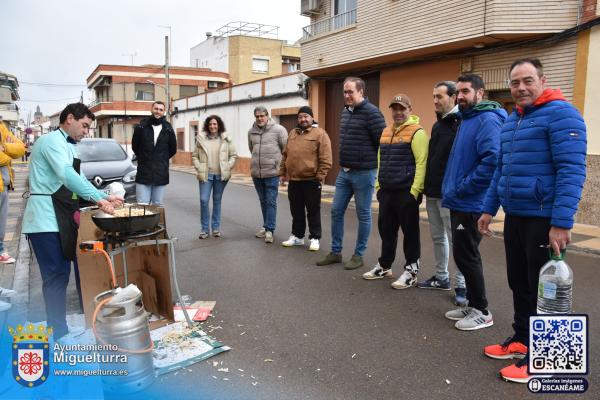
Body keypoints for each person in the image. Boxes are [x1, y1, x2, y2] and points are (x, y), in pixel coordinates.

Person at [478, 58, 587, 383]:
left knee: (547, 290)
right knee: (520, 283)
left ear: (542, 80)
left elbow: (571, 169)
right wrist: (488, 209)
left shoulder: (563, 114)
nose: (521, 88)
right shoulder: (514, 120)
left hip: (544, 218)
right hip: (516, 216)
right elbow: (501, 168)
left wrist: (562, 222)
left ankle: (546, 358)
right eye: (515, 83)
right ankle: (523, 340)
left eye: (527, 81)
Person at [22, 103, 123, 342]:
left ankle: (60, 330)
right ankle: (59, 333)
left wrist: (102, 195)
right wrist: (98, 200)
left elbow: (77, 178)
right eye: (85, 125)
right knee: (55, 276)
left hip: (60, 217)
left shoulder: (68, 146)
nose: (86, 132)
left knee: (62, 272)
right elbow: (66, 176)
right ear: (69, 118)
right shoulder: (50, 142)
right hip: (44, 218)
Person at [441, 74, 507, 331]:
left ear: (481, 93)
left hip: (471, 202)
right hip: (461, 201)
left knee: (467, 255)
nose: (460, 97)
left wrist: (463, 187)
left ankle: (481, 310)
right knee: (463, 254)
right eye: (458, 92)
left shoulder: (487, 120)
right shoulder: (468, 119)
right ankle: (472, 303)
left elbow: (491, 162)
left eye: (466, 91)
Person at [316, 76, 386, 270]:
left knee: (363, 214)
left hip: (364, 173)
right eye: (345, 92)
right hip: (344, 172)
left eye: (350, 92)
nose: (346, 95)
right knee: (336, 210)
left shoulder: (373, 113)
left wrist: (375, 167)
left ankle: (358, 255)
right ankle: (336, 252)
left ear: (361, 92)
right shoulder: (345, 111)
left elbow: (383, 143)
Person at [362, 94, 428, 289]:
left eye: (402, 108)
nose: (398, 112)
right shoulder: (385, 132)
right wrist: (378, 186)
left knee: (411, 234)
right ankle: (384, 265)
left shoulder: (418, 132)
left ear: (410, 109)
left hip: (406, 193)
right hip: (387, 192)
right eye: (395, 109)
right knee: (386, 231)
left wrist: (414, 191)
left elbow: (422, 163)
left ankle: (411, 271)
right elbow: (380, 160)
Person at [417, 81, 468, 306]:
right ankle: (442, 277)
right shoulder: (439, 125)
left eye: (439, 97)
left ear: (453, 97)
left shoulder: (462, 123)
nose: (435, 101)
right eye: (433, 97)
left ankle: (462, 285)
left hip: (451, 195)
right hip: (434, 192)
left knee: (457, 239)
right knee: (438, 238)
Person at [279, 106, 332, 252]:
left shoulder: (320, 134)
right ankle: (297, 236)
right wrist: (283, 172)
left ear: (312, 118)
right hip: (294, 180)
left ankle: (315, 238)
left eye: (306, 116)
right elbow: (285, 154)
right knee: (296, 210)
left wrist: (320, 177)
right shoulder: (292, 133)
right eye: (300, 117)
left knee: (313, 210)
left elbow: (326, 158)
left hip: (311, 180)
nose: (303, 119)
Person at [192, 115, 237, 239]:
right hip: (206, 174)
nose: (213, 126)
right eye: (210, 124)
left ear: (219, 125)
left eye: (215, 124)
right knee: (204, 200)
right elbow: (194, 156)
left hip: (221, 176)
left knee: (217, 201)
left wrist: (228, 166)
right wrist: (199, 166)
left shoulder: (226, 138)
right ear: (207, 125)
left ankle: (216, 228)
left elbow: (233, 155)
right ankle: (205, 229)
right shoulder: (201, 139)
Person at [248, 106, 288, 244]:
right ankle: (266, 227)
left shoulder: (279, 130)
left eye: (262, 116)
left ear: (267, 116)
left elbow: (286, 150)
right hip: (257, 173)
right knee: (263, 201)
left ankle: (270, 229)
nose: (260, 118)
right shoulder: (251, 132)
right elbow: (251, 149)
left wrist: (283, 171)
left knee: (271, 201)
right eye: (257, 116)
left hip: (272, 172)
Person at [132, 101, 177, 205]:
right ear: (151, 109)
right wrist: (145, 157)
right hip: (143, 173)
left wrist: (160, 158)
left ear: (164, 112)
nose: (158, 111)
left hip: (160, 173)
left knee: (157, 205)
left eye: (161, 110)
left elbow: (173, 149)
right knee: (142, 205)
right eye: (156, 109)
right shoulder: (141, 127)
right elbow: (135, 146)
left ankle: (156, 222)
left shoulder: (168, 128)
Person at [0, 120, 25, 264]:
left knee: (2, 221)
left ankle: (1, 250)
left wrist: (4, 148)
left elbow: (21, 148)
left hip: (4, 183)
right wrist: (8, 151)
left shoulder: (1, 125)